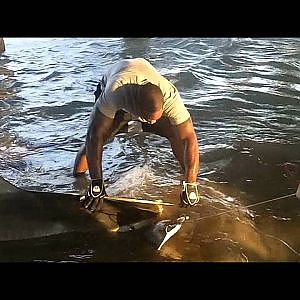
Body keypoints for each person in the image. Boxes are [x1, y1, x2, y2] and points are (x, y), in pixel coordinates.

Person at [74, 58, 200, 212]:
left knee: (175, 134)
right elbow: (94, 136)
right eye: (149, 119)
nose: (152, 124)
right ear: (137, 109)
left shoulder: (170, 96)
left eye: (156, 118)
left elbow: (189, 138)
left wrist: (191, 183)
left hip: (145, 93)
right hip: (119, 87)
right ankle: (78, 182)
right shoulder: (115, 92)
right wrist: (97, 182)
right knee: (101, 139)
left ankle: (185, 180)